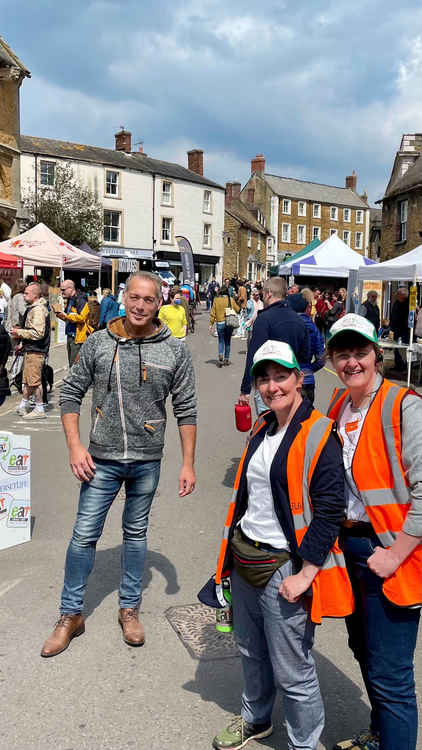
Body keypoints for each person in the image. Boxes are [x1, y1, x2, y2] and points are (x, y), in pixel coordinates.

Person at [40, 271, 197, 658]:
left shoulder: (174, 351)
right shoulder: (98, 343)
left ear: (160, 302)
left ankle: (129, 609)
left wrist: (188, 464)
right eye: (135, 298)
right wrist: (76, 447)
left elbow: (187, 409)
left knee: (136, 535)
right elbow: (70, 394)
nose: (141, 306)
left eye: (149, 299)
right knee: (83, 536)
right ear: (124, 298)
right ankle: (70, 615)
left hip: (147, 461)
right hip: (102, 460)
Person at [211, 340, 353, 750]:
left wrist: (306, 573)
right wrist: (227, 561)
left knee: (293, 669)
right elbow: (247, 498)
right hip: (244, 557)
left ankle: (304, 743)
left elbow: (330, 511)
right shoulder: (262, 426)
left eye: (280, 377)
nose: (273, 387)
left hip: (284, 568)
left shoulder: (320, 433)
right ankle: (255, 719)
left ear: (299, 378)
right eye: (264, 379)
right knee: (250, 650)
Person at [327, 314, 422, 750]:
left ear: (376, 355)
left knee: (392, 676)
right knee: (364, 651)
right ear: (331, 358)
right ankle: (380, 735)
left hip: (391, 554)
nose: (352, 362)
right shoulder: (337, 404)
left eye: (360, 352)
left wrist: (396, 553)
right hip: (349, 549)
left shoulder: (403, 405)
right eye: (342, 353)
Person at [238, 276, 310, 415]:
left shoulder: (264, 319)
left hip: (268, 383)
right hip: (290, 383)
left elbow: (253, 356)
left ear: (269, 293)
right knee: (288, 428)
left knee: (268, 427)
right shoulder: (299, 320)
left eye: (263, 293)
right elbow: (305, 356)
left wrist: (245, 389)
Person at [10, 282, 50, 420]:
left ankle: (39, 408)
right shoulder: (34, 308)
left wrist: (19, 332)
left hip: (36, 350)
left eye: (26, 293)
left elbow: (38, 333)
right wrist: (23, 342)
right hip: (32, 348)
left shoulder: (38, 309)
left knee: (34, 381)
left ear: (35, 295)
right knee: (28, 380)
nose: (24, 295)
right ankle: (23, 404)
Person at [288, 293, 325, 404]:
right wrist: (308, 369)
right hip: (307, 379)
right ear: (306, 307)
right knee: (307, 418)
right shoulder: (313, 328)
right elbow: (321, 359)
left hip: (289, 379)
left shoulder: (286, 326)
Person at [56, 280, 92, 368]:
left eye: (63, 290)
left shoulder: (81, 300)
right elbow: (70, 318)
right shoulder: (70, 300)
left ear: (71, 289)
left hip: (78, 337)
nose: (62, 292)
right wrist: (61, 315)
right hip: (70, 336)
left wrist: (67, 316)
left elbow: (82, 318)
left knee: (75, 366)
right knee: (71, 364)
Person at [209, 286, 240, 367]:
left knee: (220, 341)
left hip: (219, 323)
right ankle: (226, 359)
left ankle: (220, 354)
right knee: (228, 341)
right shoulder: (231, 300)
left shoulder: (216, 300)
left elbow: (213, 312)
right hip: (229, 322)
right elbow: (237, 309)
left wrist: (211, 324)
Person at [390, 286, 410, 373]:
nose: (396, 295)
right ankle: (398, 365)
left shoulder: (408, 304)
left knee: (404, 349)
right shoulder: (397, 302)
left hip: (404, 330)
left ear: (404, 295)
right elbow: (393, 314)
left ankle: (405, 367)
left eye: (398, 294)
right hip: (396, 329)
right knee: (396, 348)